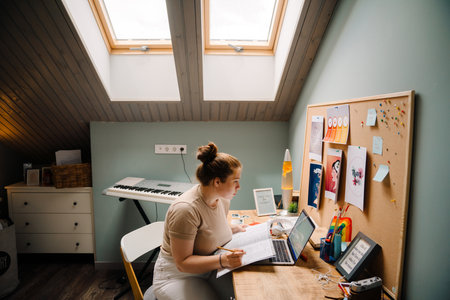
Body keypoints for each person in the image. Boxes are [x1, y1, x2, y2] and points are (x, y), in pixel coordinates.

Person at [153, 142, 247, 300]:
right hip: (177, 277)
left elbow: (207, 232)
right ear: (217, 182)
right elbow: (182, 263)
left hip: (208, 270)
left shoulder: (222, 200)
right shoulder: (186, 210)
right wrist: (223, 260)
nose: (239, 186)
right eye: (235, 181)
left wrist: (232, 229)